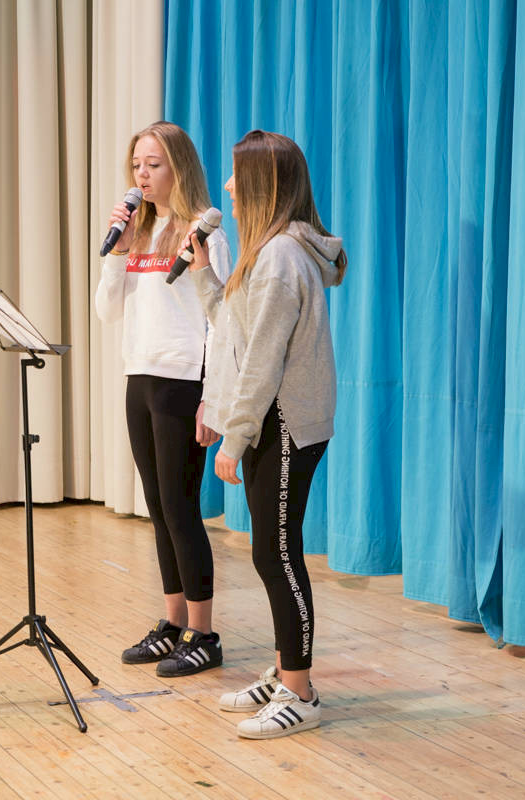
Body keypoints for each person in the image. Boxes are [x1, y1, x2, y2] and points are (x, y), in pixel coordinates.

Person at [187, 130, 346, 738]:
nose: (227, 186)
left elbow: (262, 361)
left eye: (235, 175)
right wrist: (203, 276)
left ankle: (300, 693)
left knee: (276, 554)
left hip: (284, 421)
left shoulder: (280, 255)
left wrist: (235, 436)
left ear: (261, 184)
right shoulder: (268, 251)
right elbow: (234, 329)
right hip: (271, 418)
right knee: (272, 551)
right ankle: (285, 673)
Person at [95, 121, 233, 677]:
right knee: (157, 507)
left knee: (181, 509)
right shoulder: (141, 233)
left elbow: (221, 321)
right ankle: (173, 623)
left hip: (183, 383)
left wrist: (213, 399)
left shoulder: (205, 233)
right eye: (136, 165)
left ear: (179, 167)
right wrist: (117, 252)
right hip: (141, 378)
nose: (142, 175)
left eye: (153, 164)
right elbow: (107, 312)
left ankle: (204, 633)